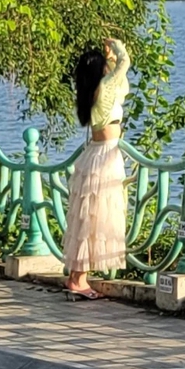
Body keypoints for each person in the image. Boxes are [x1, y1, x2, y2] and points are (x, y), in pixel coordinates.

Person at [61, 39, 130, 301]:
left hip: (96, 153)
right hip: (105, 154)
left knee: (87, 218)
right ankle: (79, 279)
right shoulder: (103, 88)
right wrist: (117, 47)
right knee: (95, 219)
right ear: (99, 72)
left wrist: (108, 57)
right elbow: (124, 66)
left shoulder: (92, 91)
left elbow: (121, 85)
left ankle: (77, 277)